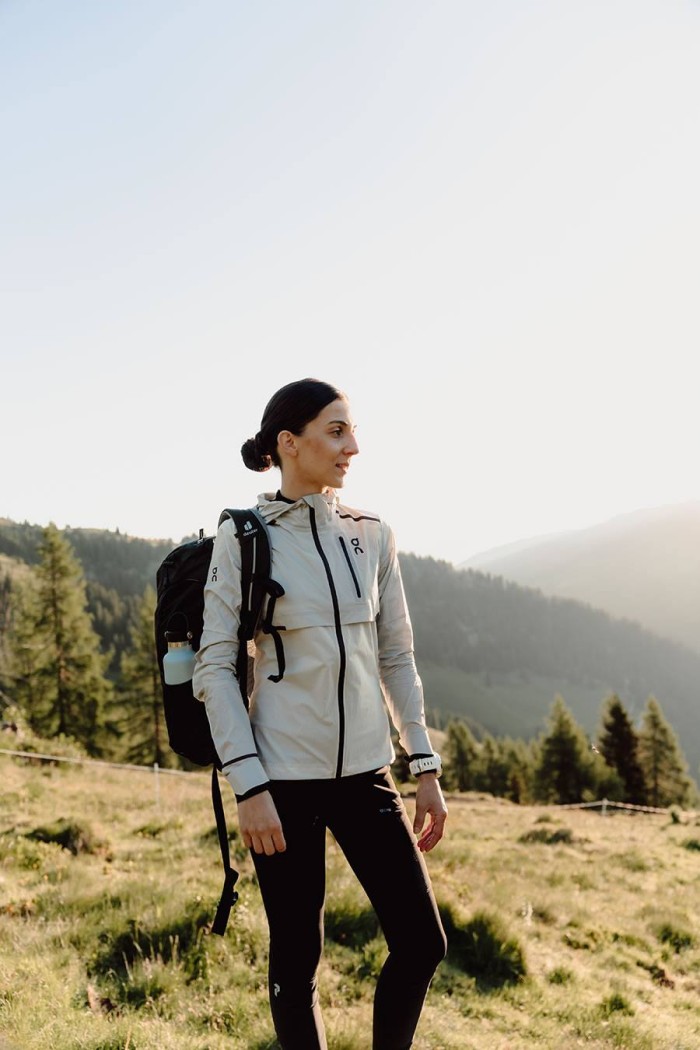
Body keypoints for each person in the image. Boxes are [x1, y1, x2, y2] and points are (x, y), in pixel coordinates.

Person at [193, 378, 447, 1050]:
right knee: (297, 959)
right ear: (288, 443)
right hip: (281, 783)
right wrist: (248, 785)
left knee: (422, 943)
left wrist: (423, 764)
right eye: (336, 431)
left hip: (368, 774)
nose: (352, 446)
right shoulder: (244, 540)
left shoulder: (371, 535)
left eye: (351, 431)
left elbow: (397, 658)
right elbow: (214, 667)